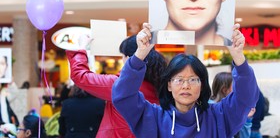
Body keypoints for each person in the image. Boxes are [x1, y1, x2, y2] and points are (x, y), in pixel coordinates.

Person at [112, 23, 260, 137]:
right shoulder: (152, 116)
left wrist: (239, 57)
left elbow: (246, 99)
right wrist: (139, 55)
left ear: (202, 85)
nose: (186, 86)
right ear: (169, 85)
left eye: (193, 80)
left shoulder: (219, 116)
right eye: (179, 80)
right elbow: (122, 97)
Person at [66, 34, 167, 137]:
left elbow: (80, 76)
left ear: (128, 58)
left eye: (122, 56)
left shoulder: (119, 85)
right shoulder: (161, 83)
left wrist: (81, 48)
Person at [210, 72, 256, 138]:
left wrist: (246, 118)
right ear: (225, 90)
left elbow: (244, 136)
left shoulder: (233, 108)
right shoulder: (208, 109)